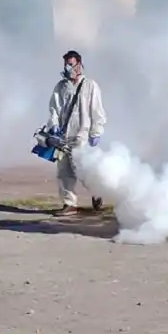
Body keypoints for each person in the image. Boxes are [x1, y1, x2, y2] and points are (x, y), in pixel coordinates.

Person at [46, 50, 106, 216]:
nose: (67, 67)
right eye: (66, 64)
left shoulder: (90, 85)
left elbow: (97, 111)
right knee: (64, 170)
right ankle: (69, 203)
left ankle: (97, 191)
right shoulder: (61, 87)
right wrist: (54, 126)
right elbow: (54, 109)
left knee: (82, 170)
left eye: (71, 64)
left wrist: (96, 132)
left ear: (79, 65)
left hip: (82, 135)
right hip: (63, 136)